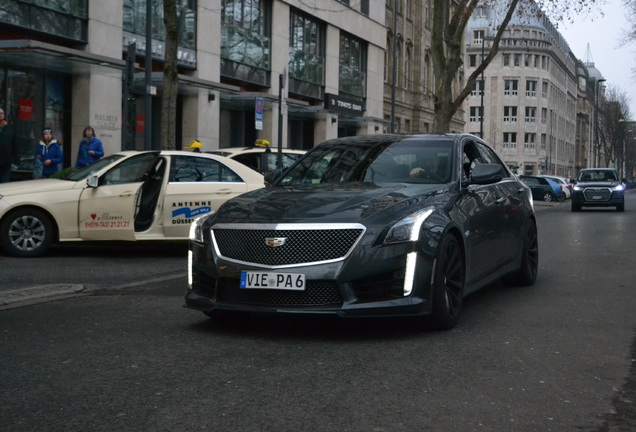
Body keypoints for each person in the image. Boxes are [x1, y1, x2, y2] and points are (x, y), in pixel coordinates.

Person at [0, 108, 20, 183]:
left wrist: (17, 160)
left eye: (2, 113)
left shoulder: (10, 130)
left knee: (4, 185)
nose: (0, 114)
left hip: (6, 163)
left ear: (4, 115)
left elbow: (15, 146)